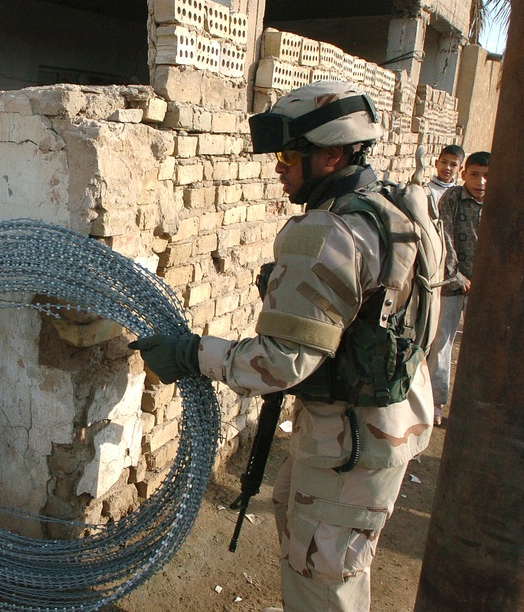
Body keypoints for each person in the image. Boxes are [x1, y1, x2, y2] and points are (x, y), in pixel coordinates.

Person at [130, 81, 437, 612]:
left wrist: (189, 354)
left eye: (290, 156)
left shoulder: (327, 232)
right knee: (315, 546)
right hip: (392, 419)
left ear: (332, 155)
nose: (280, 169)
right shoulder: (397, 208)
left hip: (351, 441)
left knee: (326, 580)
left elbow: (277, 363)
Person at [426, 151, 487, 426]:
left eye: (487, 176)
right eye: (474, 174)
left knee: (481, 347)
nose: (481, 182)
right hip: (452, 284)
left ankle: (473, 405)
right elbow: (445, 237)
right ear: (464, 175)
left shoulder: (500, 204)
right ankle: (435, 402)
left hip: (485, 288)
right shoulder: (452, 199)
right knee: (442, 343)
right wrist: (455, 275)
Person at [426, 144, 464, 212]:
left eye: (453, 165)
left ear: (459, 169)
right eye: (444, 162)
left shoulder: (460, 194)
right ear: (436, 163)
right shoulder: (426, 190)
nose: (447, 167)